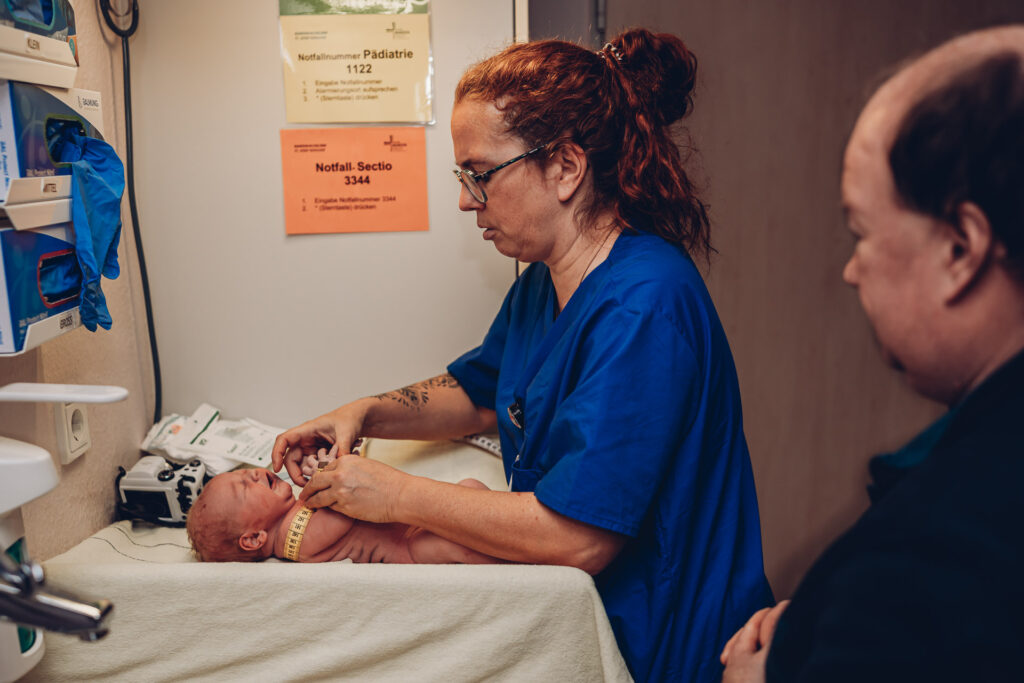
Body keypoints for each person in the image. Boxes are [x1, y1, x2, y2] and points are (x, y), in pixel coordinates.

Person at [273, 28, 773, 682]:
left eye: (479, 174)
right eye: (463, 176)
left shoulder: (644, 305)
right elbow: (482, 393)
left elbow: (579, 537)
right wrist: (363, 413)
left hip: (674, 641)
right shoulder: (544, 283)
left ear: (565, 167)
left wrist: (399, 495)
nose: (464, 199)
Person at [721, 24, 1024, 683]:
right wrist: (820, 620)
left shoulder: (933, 556)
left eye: (861, 232)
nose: (851, 270)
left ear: (960, 249)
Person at [186, 466, 503, 565]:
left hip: (413, 523)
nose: (255, 473)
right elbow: (347, 510)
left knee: (469, 488)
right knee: (453, 547)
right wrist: (337, 467)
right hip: (408, 548)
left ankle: (508, 531)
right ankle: (514, 559)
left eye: (245, 471)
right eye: (246, 486)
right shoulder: (295, 542)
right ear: (254, 538)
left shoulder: (296, 514)